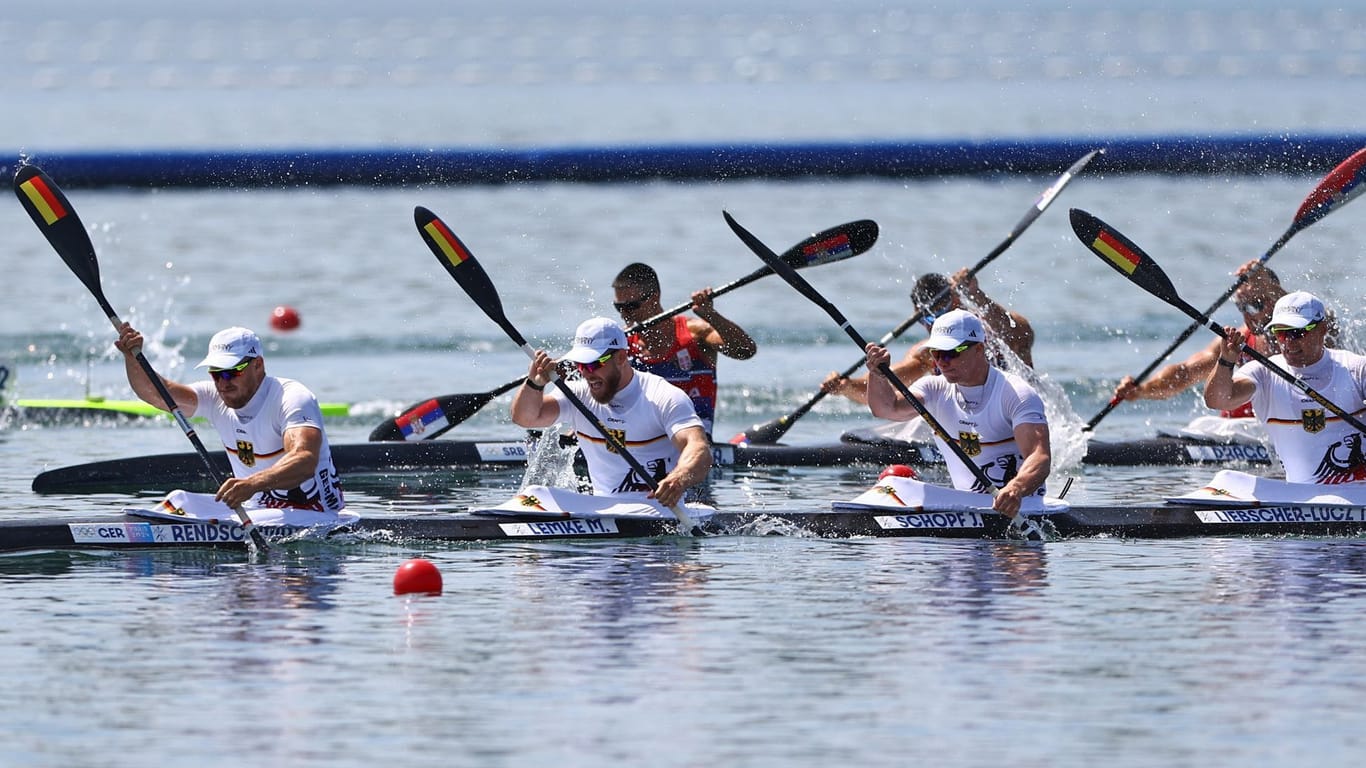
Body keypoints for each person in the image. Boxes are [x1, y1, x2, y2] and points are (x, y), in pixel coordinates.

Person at [115, 324, 345, 513]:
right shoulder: (214, 397)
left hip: (315, 514)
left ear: (258, 365)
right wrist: (132, 357)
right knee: (179, 500)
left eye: (232, 371)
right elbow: (158, 394)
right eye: (216, 373)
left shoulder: (291, 398)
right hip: (255, 514)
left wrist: (252, 484)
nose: (223, 382)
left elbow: (304, 460)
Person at [863, 309, 1051, 516]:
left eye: (952, 352)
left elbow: (1039, 456)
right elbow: (886, 409)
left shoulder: (1015, 393)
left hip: (1022, 508)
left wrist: (1016, 488)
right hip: (965, 509)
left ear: (979, 349)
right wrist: (877, 374)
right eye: (936, 352)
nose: (942, 361)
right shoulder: (934, 389)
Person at [511, 316, 713, 508]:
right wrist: (535, 383)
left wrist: (677, 479)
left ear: (621, 357)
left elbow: (699, 449)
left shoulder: (662, 396)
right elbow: (526, 418)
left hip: (657, 509)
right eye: (580, 365)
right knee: (537, 493)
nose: (587, 373)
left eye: (593, 363)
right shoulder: (578, 394)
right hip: (603, 508)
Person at [1203, 291, 1366, 485]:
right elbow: (1217, 400)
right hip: (1300, 495)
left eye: (1297, 332)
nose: (1288, 342)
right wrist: (1226, 360)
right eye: (1280, 332)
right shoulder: (1263, 373)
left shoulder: (1356, 368)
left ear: (1322, 328)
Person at [823, 268, 1034, 405]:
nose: (930, 326)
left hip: (1022, 416)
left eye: (938, 314)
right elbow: (889, 383)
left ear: (957, 301)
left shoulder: (989, 330)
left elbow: (1022, 334)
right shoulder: (929, 353)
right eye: (924, 318)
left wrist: (976, 295)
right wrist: (847, 386)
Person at [1112, 261, 1289, 411]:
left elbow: (1312, 325)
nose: (1247, 315)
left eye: (1254, 305)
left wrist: (1271, 288)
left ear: (1275, 300)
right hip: (1233, 432)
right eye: (1241, 307)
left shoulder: (1300, 340)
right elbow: (1185, 373)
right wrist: (1142, 390)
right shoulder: (1237, 341)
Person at [611, 262, 757, 438]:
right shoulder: (621, 346)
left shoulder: (695, 334)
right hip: (642, 440)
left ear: (655, 297)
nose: (624, 315)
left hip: (692, 440)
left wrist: (711, 315)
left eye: (631, 306)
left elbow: (745, 351)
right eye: (619, 307)